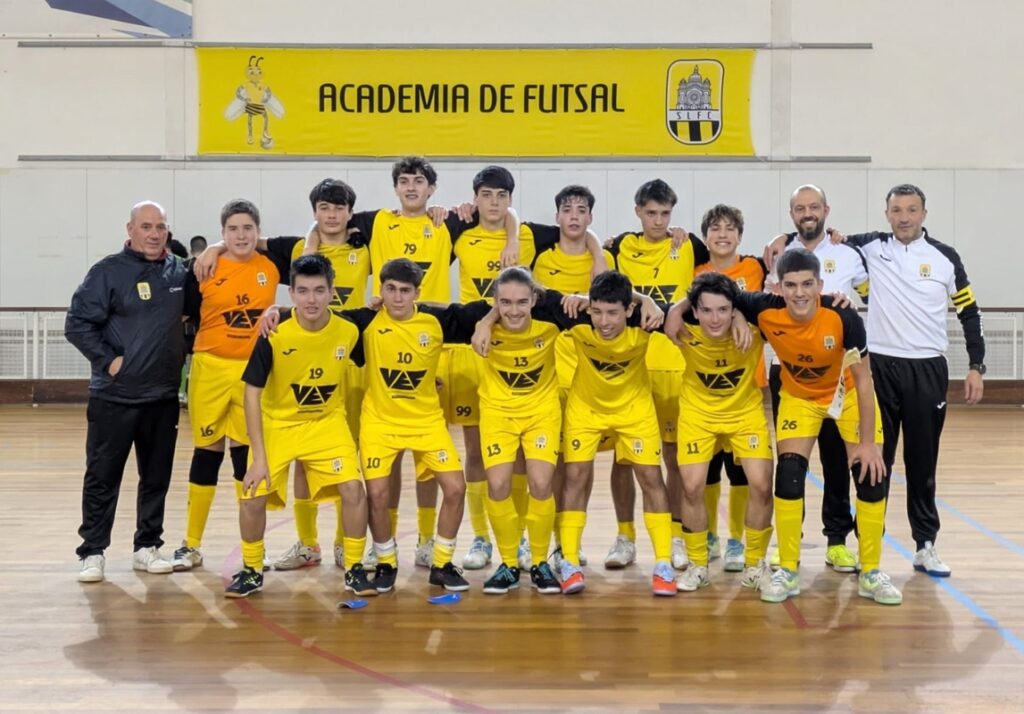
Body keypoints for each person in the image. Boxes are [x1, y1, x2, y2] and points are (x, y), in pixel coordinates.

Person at [669, 249, 901, 605]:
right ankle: (788, 569)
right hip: (799, 397)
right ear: (778, 287)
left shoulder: (843, 316)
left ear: (820, 285)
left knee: (870, 475)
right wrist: (678, 310)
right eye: (790, 285)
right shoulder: (763, 307)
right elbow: (715, 295)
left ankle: (871, 571)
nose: (799, 293)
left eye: (807, 284)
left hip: (848, 396)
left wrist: (868, 443)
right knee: (788, 476)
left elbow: (865, 379)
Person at [842, 184, 985, 577]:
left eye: (911, 209)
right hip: (879, 368)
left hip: (927, 370)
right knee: (875, 460)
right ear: (886, 214)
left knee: (922, 462)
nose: (903, 217)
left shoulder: (945, 257)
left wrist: (977, 365)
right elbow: (823, 238)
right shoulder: (868, 247)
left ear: (924, 214)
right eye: (897, 210)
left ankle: (925, 545)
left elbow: (969, 313)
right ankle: (868, 546)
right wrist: (781, 240)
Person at [232, 254, 373, 598]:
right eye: (304, 291)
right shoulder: (274, 332)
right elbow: (251, 395)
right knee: (252, 495)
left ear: (332, 292)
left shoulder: (349, 330)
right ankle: (251, 569)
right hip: (279, 424)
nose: (312, 300)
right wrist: (259, 458)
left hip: (326, 423)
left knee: (354, 490)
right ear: (292, 294)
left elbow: (393, 318)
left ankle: (354, 567)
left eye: (319, 291)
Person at [531, 271, 675, 596]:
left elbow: (693, 309)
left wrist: (647, 299)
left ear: (629, 309)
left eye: (612, 313)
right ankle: (570, 561)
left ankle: (663, 563)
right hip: (586, 409)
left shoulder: (647, 318)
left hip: (635, 410)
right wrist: (488, 321)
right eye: (596, 312)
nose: (603, 322)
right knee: (575, 477)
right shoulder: (575, 314)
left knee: (651, 478)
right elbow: (526, 291)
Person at [66, 201, 188, 583]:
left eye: (160, 227)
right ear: (130, 229)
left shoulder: (179, 271)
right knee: (102, 477)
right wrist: (110, 361)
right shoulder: (107, 272)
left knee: (156, 477)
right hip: (114, 397)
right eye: (146, 226)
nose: (154, 234)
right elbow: (77, 323)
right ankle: (92, 551)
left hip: (162, 397)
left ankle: (147, 546)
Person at [170, 199, 292, 572]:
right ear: (222, 232)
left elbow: (307, 246)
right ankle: (191, 545)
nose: (241, 236)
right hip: (210, 367)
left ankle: (253, 548)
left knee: (246, 457)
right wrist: (213, 250)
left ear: (259, 231)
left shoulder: (271, 264)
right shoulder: (203, 268)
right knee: (207, 453)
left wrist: (218, 245)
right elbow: (182, 314)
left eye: (247, 228)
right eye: (232, 230)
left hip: (252, 373)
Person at [765, 185, 871, 573]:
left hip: (839, 375)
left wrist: (849, 304)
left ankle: (837, 541)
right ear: (791, 214)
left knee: (836, 462)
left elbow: (872, 294)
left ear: (826, 210)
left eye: (813, 207)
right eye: (799, 208)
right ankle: (787, 543)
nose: (807, 213)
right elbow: (765, 304)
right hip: (791, 372)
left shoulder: (849, 254)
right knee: (791, 464)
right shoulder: (776, 253)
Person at [606, 179, 708, 571]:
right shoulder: (619, 248)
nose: (659, 221)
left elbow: (727, 254)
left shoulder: (688, 245)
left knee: (674, 458)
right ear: (638, 212)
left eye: (666, 214)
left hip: (676, 368)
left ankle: (677, 535)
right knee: (624, 460)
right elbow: (604, 285)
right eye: (651, 213)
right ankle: (625, 537)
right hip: (631, 369)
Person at [667, 272, 774, 593]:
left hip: (745, 414)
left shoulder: (755, 327)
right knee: (691, 487)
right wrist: (672, 308)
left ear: (734, 308)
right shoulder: (682, 325)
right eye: (707, 310)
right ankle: (698, 565)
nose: (715, 319)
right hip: (698, 416)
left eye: (724, 310)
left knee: (761, 485)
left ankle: (755, 565)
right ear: (695, 311)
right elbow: (626, 303)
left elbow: (793, 304)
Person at [692, 204, 769, 572]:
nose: (722, 235)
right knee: (707, 469)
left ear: (740, 235)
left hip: (746, 383)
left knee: (740, 471)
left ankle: (737, 539)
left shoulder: (755, 268)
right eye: (715, 229)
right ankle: (708, 535)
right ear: (705, 236)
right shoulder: (695, 272)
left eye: (729, 229)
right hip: (704, 385)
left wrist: (739, 312)